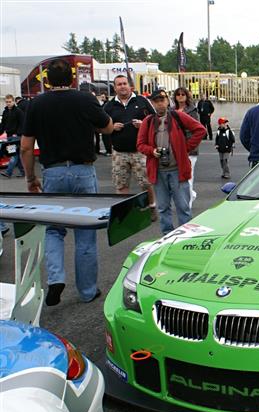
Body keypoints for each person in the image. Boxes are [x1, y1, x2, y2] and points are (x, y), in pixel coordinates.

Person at [20, 58, 113, 306]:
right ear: (72, 79)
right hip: (83, 171)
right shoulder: (85, 99)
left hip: (53, 172)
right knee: (85, 234)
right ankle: (87, 290)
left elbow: (26, 148)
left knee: (53, 229)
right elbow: (107, 128)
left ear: (47, 80)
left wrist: (31, 177)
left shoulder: (36, 104)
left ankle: (56, 278)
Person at [136, 89, 205, 235]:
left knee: (183, 208)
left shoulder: (178, 116)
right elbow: (140, 144)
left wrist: (185, 147)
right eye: (156, 101)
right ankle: (167, 237)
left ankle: (185, 237)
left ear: (167, 101)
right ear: (152, 103)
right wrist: (152, 151)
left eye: (162, 100)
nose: (160, 104)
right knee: (163, 208)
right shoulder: (148, 121)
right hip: (158, 171)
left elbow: (200, 130)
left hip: (177, 170)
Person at [103, 75, 157, 218]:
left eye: (124, 83)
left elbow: (155, 120)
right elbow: (102, 126)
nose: (122, 86)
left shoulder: (142, 101)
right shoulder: (109, 106)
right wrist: (112, 127)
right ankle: (125, 213)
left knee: (146, 183)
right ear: (115, 88)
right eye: (119, 84)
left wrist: (143, 125)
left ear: (130, 86)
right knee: (121, 184)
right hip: (119, 152)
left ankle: (151, 208)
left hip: (139, 151)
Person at [173, 87, 200, 207]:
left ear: (187, 96)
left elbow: (197, 129)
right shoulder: (171, 110)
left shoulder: (192, 111)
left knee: (188, 177)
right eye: (178, 94)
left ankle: (187, 204)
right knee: (178, 178)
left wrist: (190, 146)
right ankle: (191, 195)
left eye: (183, 94)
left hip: (189, 149)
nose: (180, 96)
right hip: (175, 149)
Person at [0, 94, 25, 178]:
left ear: (13, 101)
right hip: (9, 136)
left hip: (17, 136)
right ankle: (23, 173)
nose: (8, 103)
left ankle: (8, 172)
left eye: (10, 102)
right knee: (16, 154)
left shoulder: (18, 111)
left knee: (14, 154)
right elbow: (3, 124)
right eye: (7, 102)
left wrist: (18, 133)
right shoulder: (5, 112)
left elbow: (22, 123)